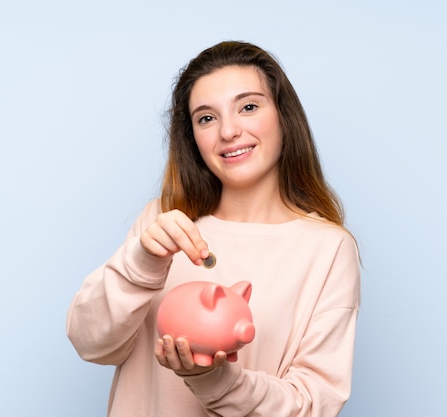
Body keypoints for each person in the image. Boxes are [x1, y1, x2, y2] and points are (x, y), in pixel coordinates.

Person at [66, 40, 361, 416]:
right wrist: (139, 263)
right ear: (193, 138)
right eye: (207, 118)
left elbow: (312, 405)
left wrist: (215, 380)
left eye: (249, 107)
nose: (228, 131)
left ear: (284, 117)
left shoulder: (328, 248)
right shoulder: (163, 222)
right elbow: (90, 344)